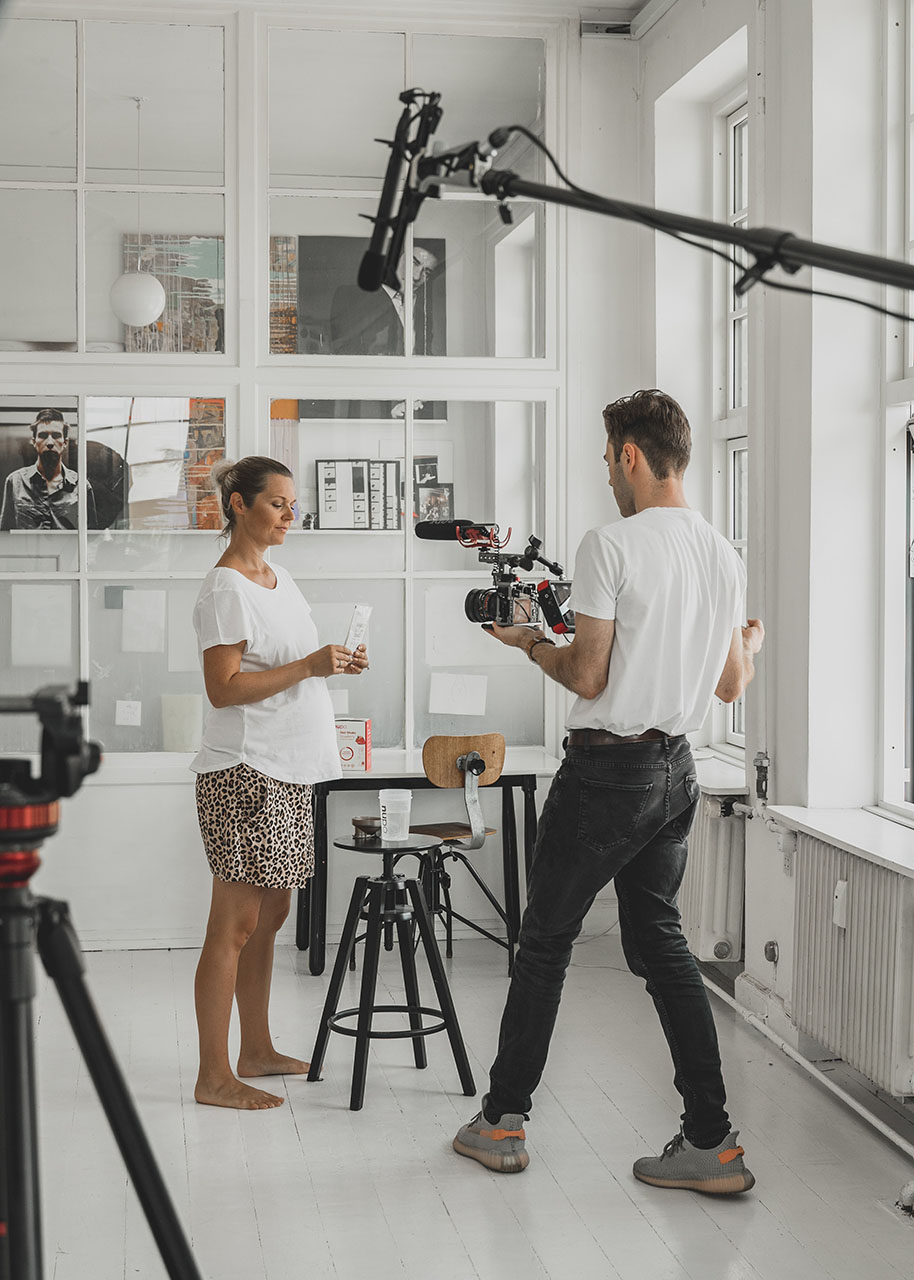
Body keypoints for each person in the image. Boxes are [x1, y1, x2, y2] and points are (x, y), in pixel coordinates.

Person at [452, 390, 765, 1193]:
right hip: (676, 774)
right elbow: (732, 682)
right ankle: (712, 1142)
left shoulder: (610, 543)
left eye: (606, 459)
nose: (606, 475)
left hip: (607, 774)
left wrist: (528, 643)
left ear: (629, 453)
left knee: (545, 940)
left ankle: (501, 1123)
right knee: (662, 948)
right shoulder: (724, 553)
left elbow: (587, 674)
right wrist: (751, 644)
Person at [190, 455, 368, 1110]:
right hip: (245, 772)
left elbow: (293, 664)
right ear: (239, 505)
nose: (291, 513)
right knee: (234, 924)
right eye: (278, 503)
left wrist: (331, 663)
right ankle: (213, 1076)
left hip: (288, 772)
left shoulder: (278, 579)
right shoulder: (226, 588)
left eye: (294, 504)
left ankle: (256, 1048)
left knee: (272, 915)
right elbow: (224, 687)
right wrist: (309, 666)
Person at [0, 408, 97, 530]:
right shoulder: (15, 482)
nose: (50, 442)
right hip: (27, 549)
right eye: (43, 435)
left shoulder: (81, 485)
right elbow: (4, 534)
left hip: (68, 550)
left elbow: (91, 537)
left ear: (65, 442)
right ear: (34, 442)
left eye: (56, 436)